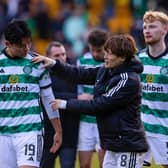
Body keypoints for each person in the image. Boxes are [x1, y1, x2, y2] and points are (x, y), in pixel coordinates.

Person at [32, 34, 149, 168]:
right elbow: (79, 73)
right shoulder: (107, 70)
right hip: (113, 144)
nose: (105, 56)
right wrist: (54, 64)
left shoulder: (128, 80)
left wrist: (66, 103)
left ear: (122, 57)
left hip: (128, 146)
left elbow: (99, 105)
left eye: (109, 54)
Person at [0, 20, 62, 168]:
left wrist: (58, 130)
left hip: (30, 132)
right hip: (3, 133)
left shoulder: (37, 63)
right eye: (22, 45)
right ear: (8, 44)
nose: (27, 48)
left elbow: (48, 98)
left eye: (29, 43)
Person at [40, 41, 80, 168]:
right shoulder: (42, 74)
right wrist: (75, 98)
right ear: (48, 57)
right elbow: (46, 97)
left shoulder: (73, 73)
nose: (62, 58)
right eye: (57, 55)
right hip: (48, 134)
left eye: (63, 54)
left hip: (70, 133)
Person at [138, 10, 168, 168]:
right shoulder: (137, 60)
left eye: (152, 27)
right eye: (145, 27)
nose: (147, 30)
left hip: (164, 128)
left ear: (165, 30)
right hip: (141, 128)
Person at [77, 28, 107, 168]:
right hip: (85, 120)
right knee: (84, 165)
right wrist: (79, 96)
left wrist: (94, 96)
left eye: (99, 50)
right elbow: (77, 89)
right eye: (92, 49)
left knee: (104, 164)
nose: (95, 54)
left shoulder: (111, 61)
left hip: (104, 119)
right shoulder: (82, 60)